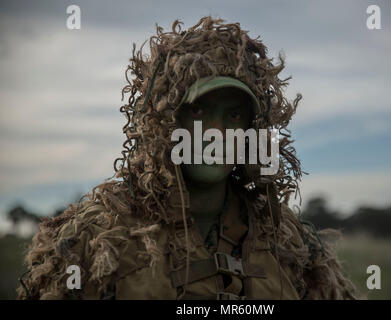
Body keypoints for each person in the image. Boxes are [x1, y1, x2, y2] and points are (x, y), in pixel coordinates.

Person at [17, 16, 356, 300]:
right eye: (197, 111)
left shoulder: (290, 244)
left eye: (234, 116)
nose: (217, 133)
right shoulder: (94, 240)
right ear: (163, 122)